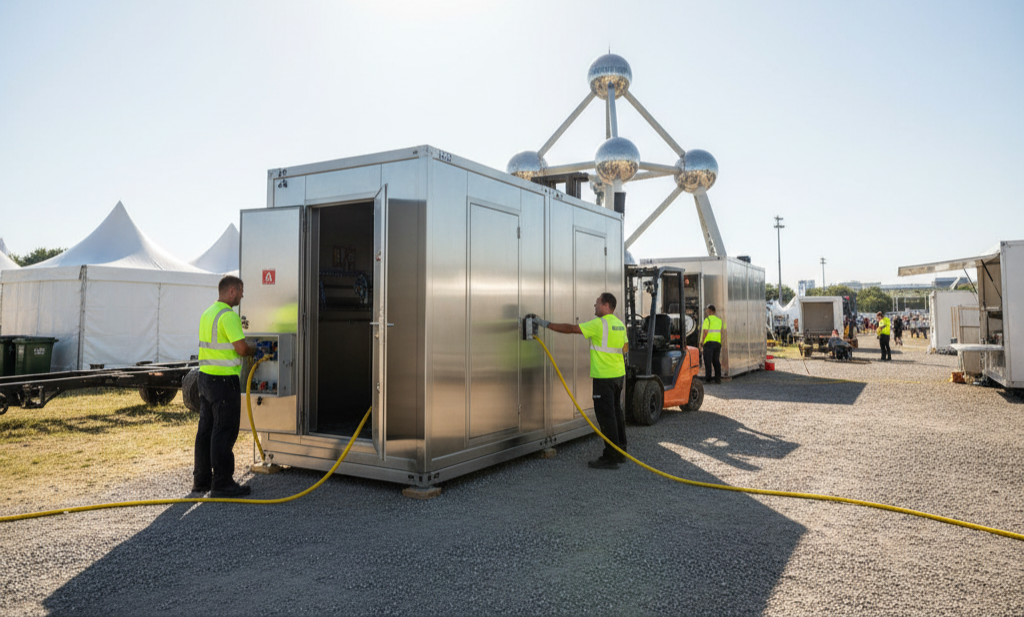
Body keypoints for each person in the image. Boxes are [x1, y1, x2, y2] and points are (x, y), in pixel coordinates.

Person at [534, 293, 629, 470]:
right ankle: (621, 451)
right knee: (617, 413)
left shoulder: (599, 324)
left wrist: (545, 324)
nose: (595, 305)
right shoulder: (620, 325)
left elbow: (571, 329)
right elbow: (625, 348)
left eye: (598, 303)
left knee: (606, 416)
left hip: (603, 377)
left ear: (606, 305)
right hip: (618, 376)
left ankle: (611, 457)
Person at [193, 275, 255, 496]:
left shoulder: (207, 313)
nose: (241, 296)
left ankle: (201, 480)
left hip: (205, 378)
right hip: (223, 382)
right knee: (224, 430)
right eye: (241, 292)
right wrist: (255, 349)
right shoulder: (228, 316)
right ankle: (222, 483)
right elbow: (241, 349)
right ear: (232, 291)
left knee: (206, 430)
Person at [700, 304, 726, 384]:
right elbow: (723, 331)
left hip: (708, 343)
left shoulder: (707, 320)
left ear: (709, 311)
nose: (706, 312)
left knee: (708, 361)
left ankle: (708, 378)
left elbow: (705, 332)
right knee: (716, 361)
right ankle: (718, 378)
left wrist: (702, 342)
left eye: (707, 310)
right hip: (717, 343)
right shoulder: (719, 320)